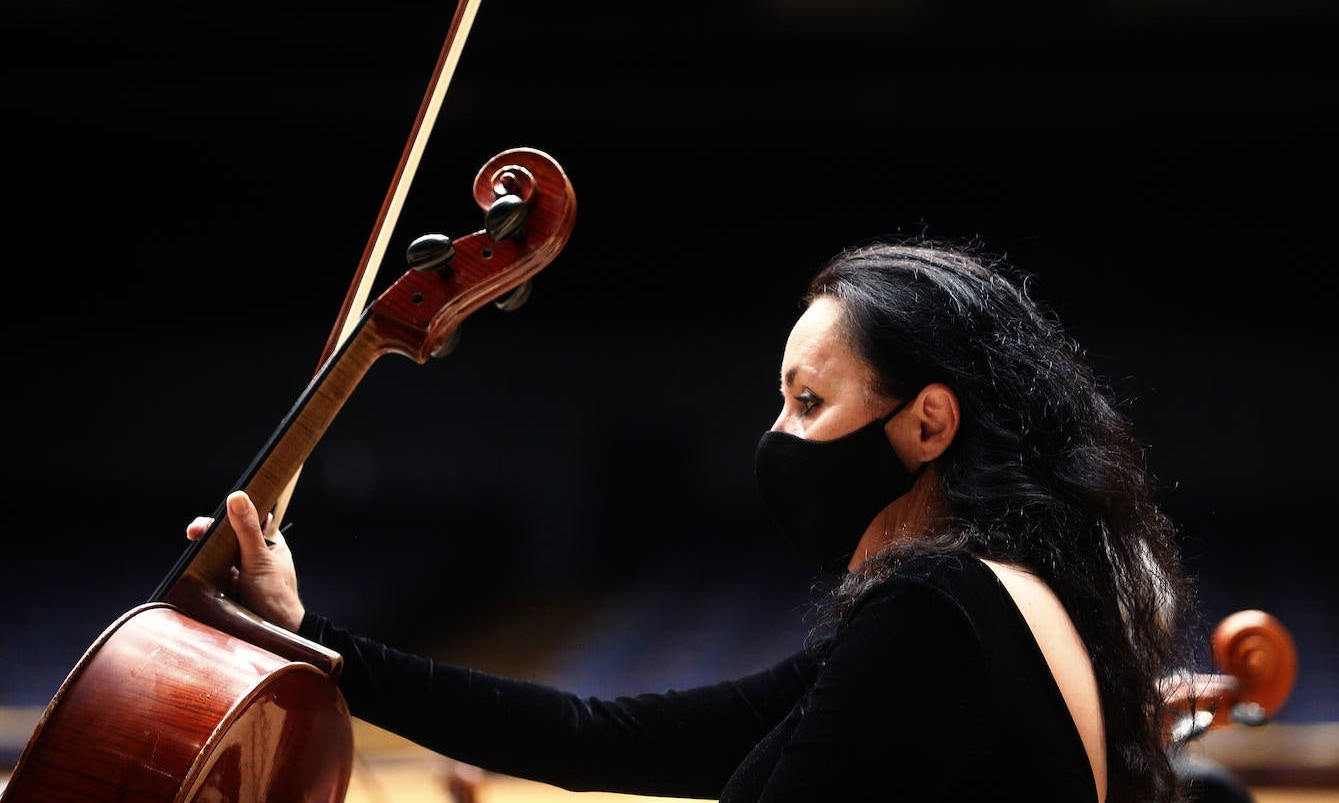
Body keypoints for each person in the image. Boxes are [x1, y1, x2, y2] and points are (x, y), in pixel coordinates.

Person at [189, 234, 1204, 803]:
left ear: (928, 421)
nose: (777, 434)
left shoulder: (938, 614)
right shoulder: (994, 603)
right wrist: (302, 636)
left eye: (810, 401)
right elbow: (608, 732)